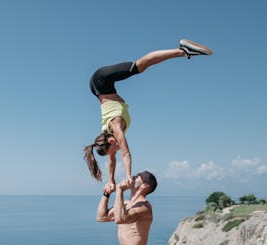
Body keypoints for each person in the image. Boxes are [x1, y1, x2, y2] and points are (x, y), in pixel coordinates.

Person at [84, 39, 212, 193]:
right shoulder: (107, 136)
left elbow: (126, 154)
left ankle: (183, 50)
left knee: (140, 66)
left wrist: (128, 175)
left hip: (101, 80)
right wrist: (111, 180)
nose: (116, 151)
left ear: (112, 141)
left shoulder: (116, 129)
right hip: (98, 88)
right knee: (139, 67)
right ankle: (183, 51)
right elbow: (112, 161)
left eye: (114, 149)